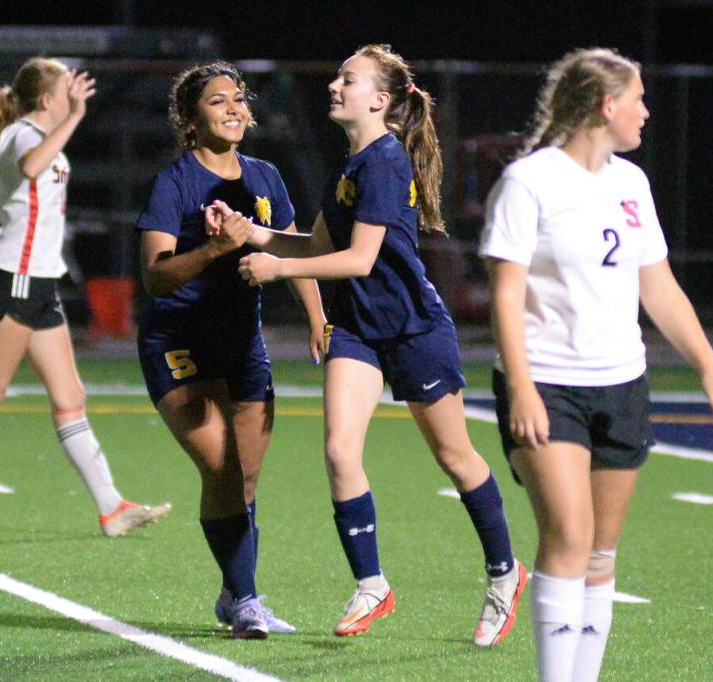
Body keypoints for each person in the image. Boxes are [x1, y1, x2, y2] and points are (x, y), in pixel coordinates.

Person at [208, 44, 526, 644]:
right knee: (338, 451)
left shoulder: (384, 162)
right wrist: (255, 234)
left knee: (456, 458)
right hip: (358, 330)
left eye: (347, 80)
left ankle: (505, 574)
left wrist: (274, 271)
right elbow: (313, 246)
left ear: (380, 100)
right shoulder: (350, 166)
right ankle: (372, 583)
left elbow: (358, 259)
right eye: (336, 76)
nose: (334, 85)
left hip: (413, 330)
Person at [481, 47, 713, 681]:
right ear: (606, 105)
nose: (646, 112)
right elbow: (506, 294)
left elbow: (659, 287)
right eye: (639, 99)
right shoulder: (530, 181)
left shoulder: (631, 183)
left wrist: (707, 363)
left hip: (621, 383)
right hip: (547, 383)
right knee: (567, 534)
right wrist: (522, 388)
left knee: (599, 549)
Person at [0, 57, 171, 539]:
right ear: (48, 100)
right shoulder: (23, 135)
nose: (75, 95)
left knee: (70, 397)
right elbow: (30, 167)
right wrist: (73, 120)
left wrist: (70, 121)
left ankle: (112, 507)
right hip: (15, 278)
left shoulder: (41, 135)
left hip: (40, 281)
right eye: (67, 89)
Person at [136, 61, 327, 639]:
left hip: (243, 344)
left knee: (244, 482)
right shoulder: (175, 182)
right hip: (179, 341)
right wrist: (215, 250)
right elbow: (155, 276)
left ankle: (232, 592)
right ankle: (246, 601)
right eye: (219, 101)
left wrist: (319, 316)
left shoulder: (265, 177)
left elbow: (293, 249)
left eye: (239, 99)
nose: (235, 108)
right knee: (221, 471)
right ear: (192, 119)